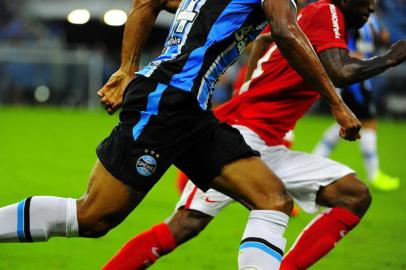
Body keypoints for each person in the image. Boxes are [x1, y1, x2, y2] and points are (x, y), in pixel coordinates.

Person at [0, 0, 362, 268]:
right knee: (94, 217)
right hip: (166, 103)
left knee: (272, 200)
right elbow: (284, 32)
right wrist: (336, 103)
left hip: (190, 110)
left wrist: (129, 69)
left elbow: (150, 1)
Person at [102, 0, 406, 269]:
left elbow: (264, 41)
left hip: (270, 142)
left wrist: (246, 89)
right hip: (244, 135)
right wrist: (391, 57)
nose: (373, 6)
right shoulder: (327, 11)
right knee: (185, 224)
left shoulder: (307, 14)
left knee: (354, 195)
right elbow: (341, 71)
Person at [313, 14, 400, 191]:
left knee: (348, 124)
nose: (371, 6)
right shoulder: (350, 15)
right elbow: (342, 42)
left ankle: (315, 159)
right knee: (368, 124)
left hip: (362, 77)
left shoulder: (371, 17)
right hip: (354, 81)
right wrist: (349, 55)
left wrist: (381, 38)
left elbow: (376, 40)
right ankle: (374, 175)